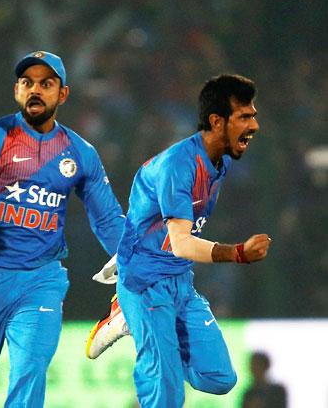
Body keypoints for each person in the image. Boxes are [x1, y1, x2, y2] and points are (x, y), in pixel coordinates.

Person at [0, 50, 125, 406]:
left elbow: (108, 219)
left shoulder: (80, 153)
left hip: (42, 279)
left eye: (46, 84)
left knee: (30, 368)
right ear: (17, 91)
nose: (35, 90)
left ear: (62, 94)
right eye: (27, 83)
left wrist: (137, 258)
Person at [86, 74, 272, 407]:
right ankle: (136, 319)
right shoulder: (178, 166)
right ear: (217, 121)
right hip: (145, 284)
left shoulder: (220, 162)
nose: (254, 125)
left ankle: (136, 326)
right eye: (245, 117)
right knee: (166, 393)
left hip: (180, 282)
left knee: (220, 379)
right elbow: (183, 243)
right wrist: (238, 253)